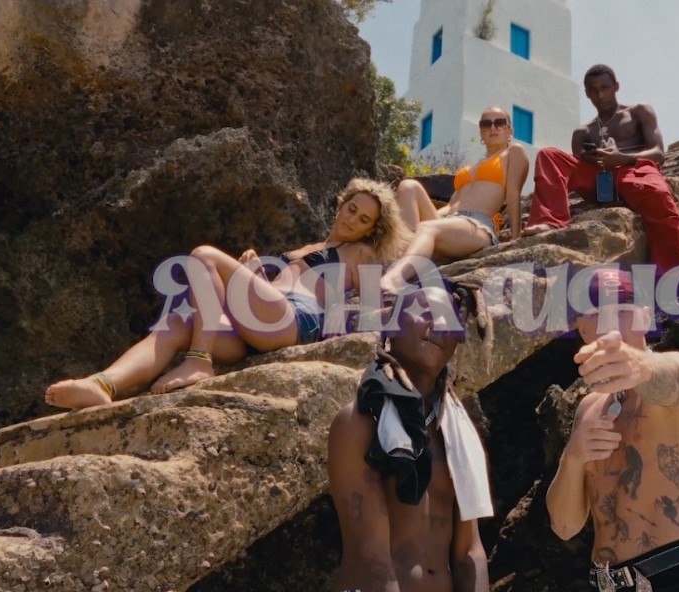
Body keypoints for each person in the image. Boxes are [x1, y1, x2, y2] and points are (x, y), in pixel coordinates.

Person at [44, 178, 412, 410]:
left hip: (295, 321)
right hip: (260, 325)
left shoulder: (360, 253)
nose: (352, 220)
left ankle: (199, 361)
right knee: (177, 322)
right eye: (351, 209)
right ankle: (102, 385)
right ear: (342, 202)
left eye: (364, 220)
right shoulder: (312, 246)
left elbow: (368, 311)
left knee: (204, 255)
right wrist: (253, 274)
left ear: (371, 231)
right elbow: (278, 288)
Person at [546, 269, 679, 591]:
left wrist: (640, 367)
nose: (610, 325)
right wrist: (572, 458)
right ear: (582, 328)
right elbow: (564, 527)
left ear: (645, 317)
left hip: (677, 576)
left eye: (622, 311)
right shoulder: (589, 408)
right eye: (598, 314)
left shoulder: (676, 372)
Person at [327, 285, 492, 592]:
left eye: (449, 320)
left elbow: (470, 553)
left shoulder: (457, 433)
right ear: (391, 326)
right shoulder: (359, 422)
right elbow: (371, 558)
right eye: (425, 312)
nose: (438, 325)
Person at [523, 64, 679, 302]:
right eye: (593, 90)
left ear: (616, 87)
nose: (600, 95)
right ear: (587, 93)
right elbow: (576, 169)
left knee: (659, 196)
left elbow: (658, 153)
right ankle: (550, 220)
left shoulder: (639, 112)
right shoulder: (583, 132)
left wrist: (621, 157)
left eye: (605, 88)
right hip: (601, 179)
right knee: (548, 155)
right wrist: (592, 158)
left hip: (635, 169)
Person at [382, 106, 529, 293]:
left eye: (499, 123)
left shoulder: (514, 152)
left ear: (510, 130)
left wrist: (515, 240)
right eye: (486, 124)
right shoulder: (471, 167)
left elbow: (514, 193)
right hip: (451, 220)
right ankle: (402, 255)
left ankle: (395, 278)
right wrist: (433, 220)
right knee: (408, 186)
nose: (493, 128)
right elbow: (451, 205)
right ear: (481, 132)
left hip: (477, 225)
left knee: (427, 228)